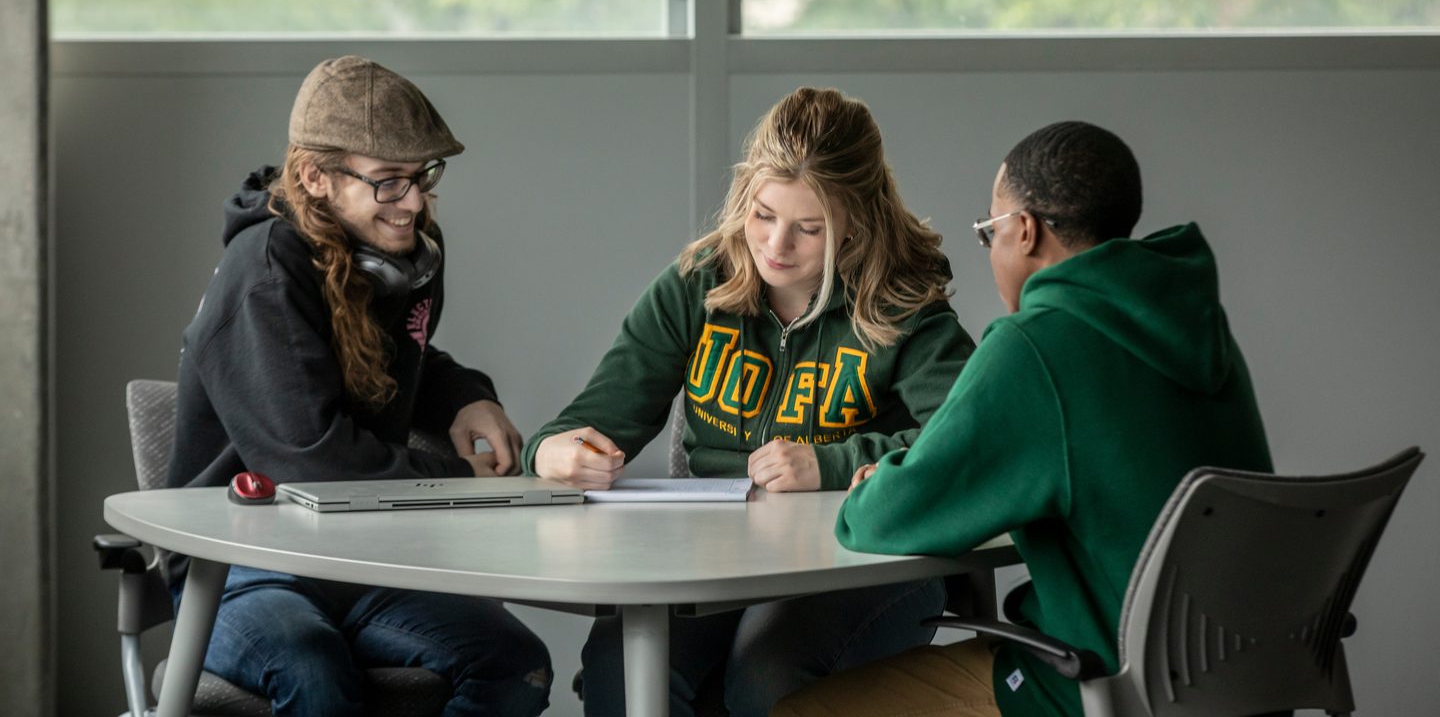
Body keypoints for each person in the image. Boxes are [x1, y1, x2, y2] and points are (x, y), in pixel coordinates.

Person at [771, 121, 1275, 717]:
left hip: (1102, 686)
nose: (990, 250)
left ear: (1026, 231)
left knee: (797, 710)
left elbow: (882, 520)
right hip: (1249, 678)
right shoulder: (1192, 324)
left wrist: (874, 486)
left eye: (989, 233)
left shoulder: (1035, 347)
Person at [521, 86, 978, 717]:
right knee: (618, 669)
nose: (776, 246)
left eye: (808, 228)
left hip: (862, 559)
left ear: (858, 221)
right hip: (720, 555)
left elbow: (975, 440)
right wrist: (550, 451)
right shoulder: (698, 283)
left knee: (767, 673)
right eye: (763, 215)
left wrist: (834, 463)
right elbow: (590, 420)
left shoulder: (905, 303)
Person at [165, 56, 551, 717]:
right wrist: (463, 480)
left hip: (359, 559)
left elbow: (387, 359)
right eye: (389, 182)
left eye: (424, 177)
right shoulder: (261, 275)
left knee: (516, 666)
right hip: (241, 567)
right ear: (315, 177)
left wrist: (464, 394)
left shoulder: (400, 255)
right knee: (310, 667)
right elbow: (311, 459)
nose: (415, 203)